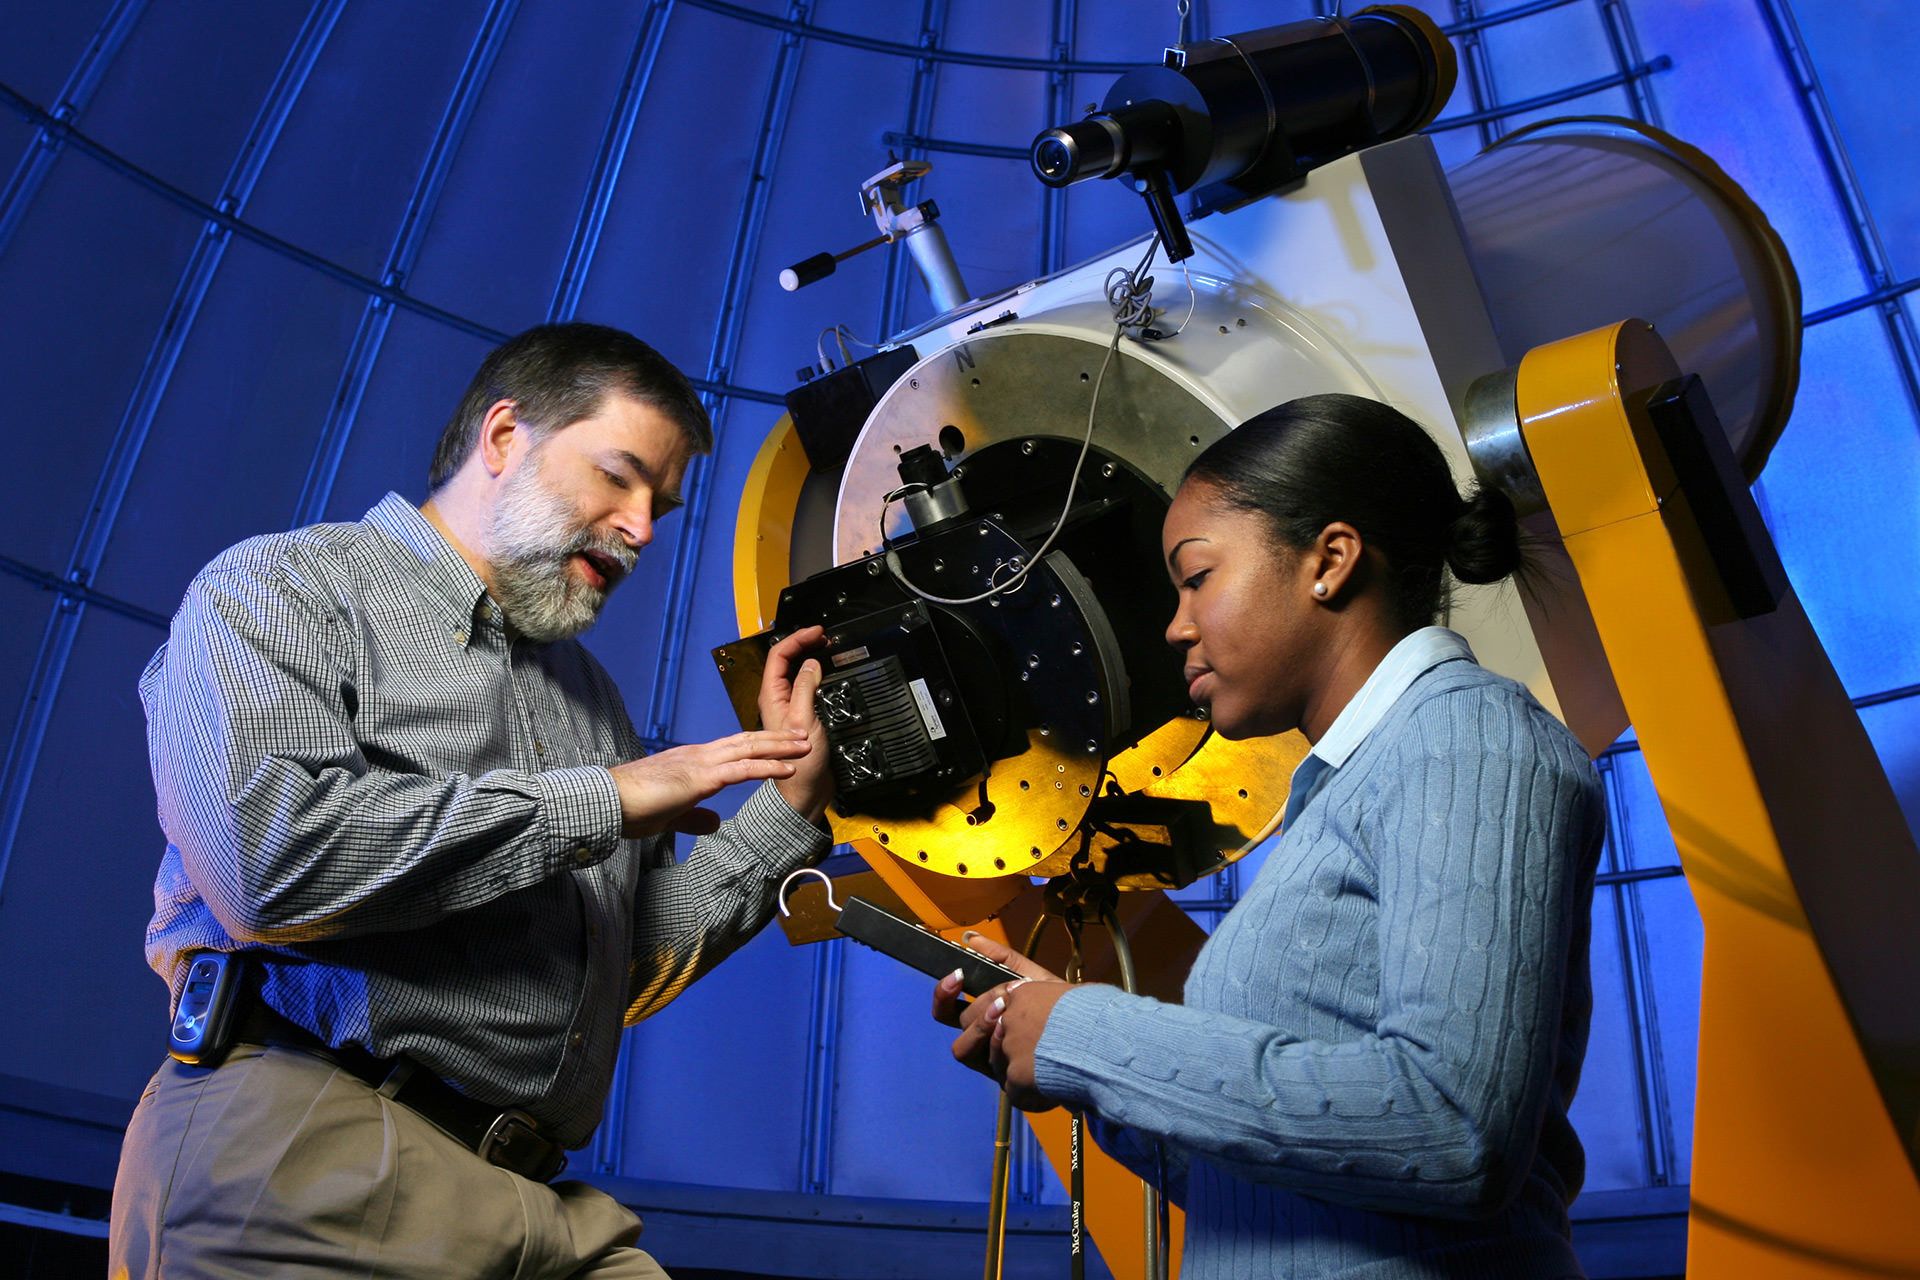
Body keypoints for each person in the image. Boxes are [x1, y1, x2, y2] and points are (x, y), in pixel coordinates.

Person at [110, 322, 832, 1279]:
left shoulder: (595, 704)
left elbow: (613, 970)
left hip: (538, 1203)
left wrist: (789, 805)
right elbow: (263, 865)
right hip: (308, 1158)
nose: (642, 529)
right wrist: (605, 798)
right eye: (618, 477)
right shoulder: (283, 588)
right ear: (503, 438)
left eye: (659, 502)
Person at [936, 394, 1605, 1278]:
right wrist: (1073, 1068)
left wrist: (1086, 1032)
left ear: (1329, 561)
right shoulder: (1345, 791)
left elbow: (1453, 1130)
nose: (1176, 625)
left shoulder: (1466, 739)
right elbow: (1263, 1189)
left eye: (1197, 577)